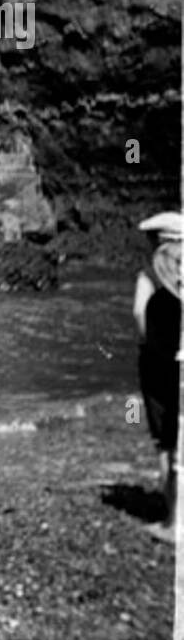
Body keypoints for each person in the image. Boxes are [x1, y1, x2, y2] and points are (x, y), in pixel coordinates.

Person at [133, 211, 181, 542]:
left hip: (159, 362)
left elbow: (139, 313)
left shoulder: (150, 274)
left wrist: (153, 346)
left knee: (165, 439)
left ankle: (173, 519)